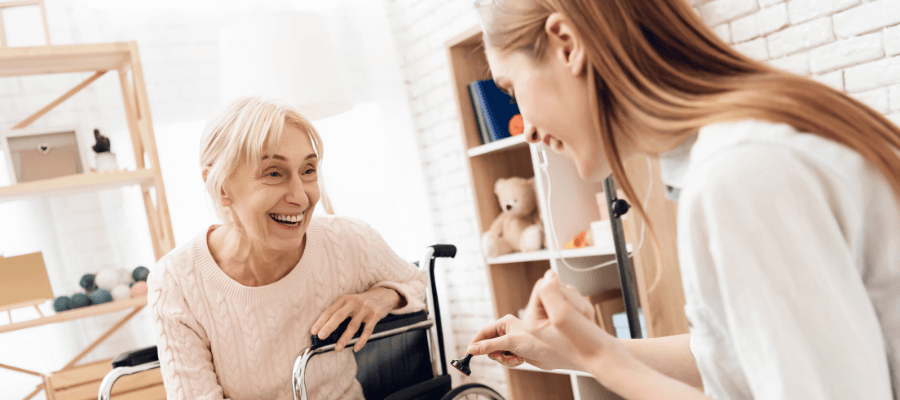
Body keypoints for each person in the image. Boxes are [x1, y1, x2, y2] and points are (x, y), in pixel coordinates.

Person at [465, 0, 900, 399]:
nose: (527, 132)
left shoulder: (740, 175)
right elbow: (734, 352)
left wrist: (604, 361)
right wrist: (580, 350)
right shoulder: (742, 146)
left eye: (510, 87)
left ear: (566, 44)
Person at [147, 97, 427, 400]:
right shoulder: (176, 282)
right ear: (221, 187)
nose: (300, 197)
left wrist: (383, 296)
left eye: (308, 170)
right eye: (274, 173)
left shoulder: (347, 240)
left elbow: (420, 283)